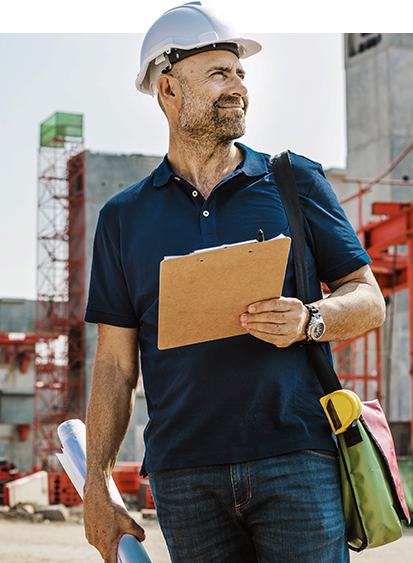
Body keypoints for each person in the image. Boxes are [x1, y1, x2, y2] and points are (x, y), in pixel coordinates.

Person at [83, 2, 386, 562]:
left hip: (297, 458)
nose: (238, 87)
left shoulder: (294, 182)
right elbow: (114, 364)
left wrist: (309, 319)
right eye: (219, 74)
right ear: (168, 90)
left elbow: (369, 301)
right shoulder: (123, 219)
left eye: (241, 73)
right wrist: (97, 484)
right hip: (184, 476)